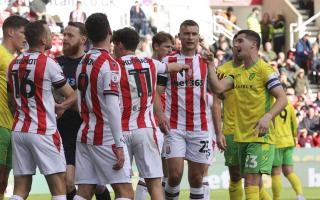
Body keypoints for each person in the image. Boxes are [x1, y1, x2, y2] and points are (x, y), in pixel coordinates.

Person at [208, 29, 288, 199]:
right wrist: (209, 65)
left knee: (251, 182)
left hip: (259, 136)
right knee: (247, 181)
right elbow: (218, 89)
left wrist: (267, 117)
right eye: (235, 42)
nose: (235, 45)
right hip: (239, 136)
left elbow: (282, 99)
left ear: (253, 45)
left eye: (240, 41)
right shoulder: (237, 72)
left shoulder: (265, 70)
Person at [112, 27, 189, 200]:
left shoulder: (113, 65)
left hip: (120, 131)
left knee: (122, 188)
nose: (113, 48)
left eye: (114, 44)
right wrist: (184, 66)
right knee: (154, 184)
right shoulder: (149, 62)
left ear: (120, 44)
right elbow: (170, 67)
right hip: (146, 129)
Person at [7, 20, 76, 200]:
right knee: (58, 187)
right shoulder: (48, 63)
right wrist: (62, 107)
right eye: (49, 33)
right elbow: (71, 94)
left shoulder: (13, 63)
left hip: (20, 129)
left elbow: (11, 100)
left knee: (20, 189)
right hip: (43, 130)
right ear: (42, 40)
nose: (52, 35)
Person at [73, 13, 133, 200]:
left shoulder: (82, 62)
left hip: (84, 133)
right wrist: (119, 144)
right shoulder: (109, 64)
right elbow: (113, 107)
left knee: (84, 192)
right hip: (105, 136)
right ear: (110, 32)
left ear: (88, 35)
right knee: (126, 193)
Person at [155, 20, 213, 200]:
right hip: (174, 127)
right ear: (179, 37)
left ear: (198, 37)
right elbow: (157, 92)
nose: (190, 37)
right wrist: (160, 115)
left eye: (194, 34)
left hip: (200, 127)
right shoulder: (168, 61)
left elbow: (217, 91)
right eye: (186, 34)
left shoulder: (205, 60)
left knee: (197, 179)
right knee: (174, 175)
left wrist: (212, 65)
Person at [56, 21, 111, 200]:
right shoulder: (56, 64)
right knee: (69, 183)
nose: (65, 39)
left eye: (70, 35)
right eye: (64, 35)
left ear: (83, 39)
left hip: (89, 129)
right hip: (64, 130)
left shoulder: (90, 63)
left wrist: (65, 103)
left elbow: (87, 94)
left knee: (97, 185)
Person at [134, 31, 174, 200]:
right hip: (153, 122)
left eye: (172, 47)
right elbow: (156, 93)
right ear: (156, 46)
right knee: (150, 171)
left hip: (166, 121)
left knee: (166, 172)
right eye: (167, 47)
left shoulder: (164, 65)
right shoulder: (150, 66)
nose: (170, 51)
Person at [0, 15, 29, 200]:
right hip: (0, 125)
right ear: (10, 32)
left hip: (12, 126)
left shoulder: (16, 60)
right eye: (23, 33)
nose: (25, 38)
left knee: (4, 181)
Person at [216, 37, 244, 200]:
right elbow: (216, 103)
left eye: (242, 42)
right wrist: (218, 131)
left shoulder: (260, 70)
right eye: (236, 43)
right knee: (235, 175)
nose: (239, 46)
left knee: (253, 177)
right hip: (231, 131)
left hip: (253, 131)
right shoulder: (222, 70)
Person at [271, 87, 305, 200]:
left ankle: (276, 198)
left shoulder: (270, 103)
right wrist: (294, 136)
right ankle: (300, 195)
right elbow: (294, 123)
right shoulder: (288, 103)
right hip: (289, 141)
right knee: (289, 171)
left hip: (276, 142)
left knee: (275, 173)